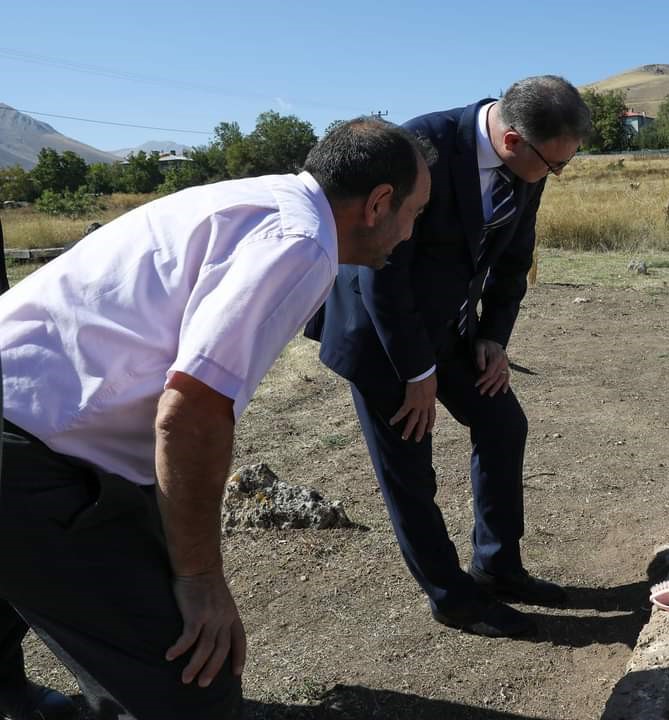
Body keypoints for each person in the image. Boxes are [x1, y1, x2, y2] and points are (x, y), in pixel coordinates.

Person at [0, 118, 432, 720]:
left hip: (29, 420)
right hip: (28, 449)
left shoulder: (258, 200)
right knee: (182, 691)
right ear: (378, 203)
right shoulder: (301, 242)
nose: (410, 233)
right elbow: (191, 414)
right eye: (414, 213)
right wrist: (200, 579)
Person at [309, 75, 591, 638]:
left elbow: (515, 257)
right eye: (554, 166)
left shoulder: (528, 161)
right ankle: (452, 597)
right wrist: (417, 373)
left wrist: (493, 336)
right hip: (382, 334)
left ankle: (497, 567)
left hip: (453, 328)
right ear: (513, 141)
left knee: (502, 422)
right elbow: (381, 275)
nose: (555, 176)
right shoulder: (419, 151)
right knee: (410, 465)